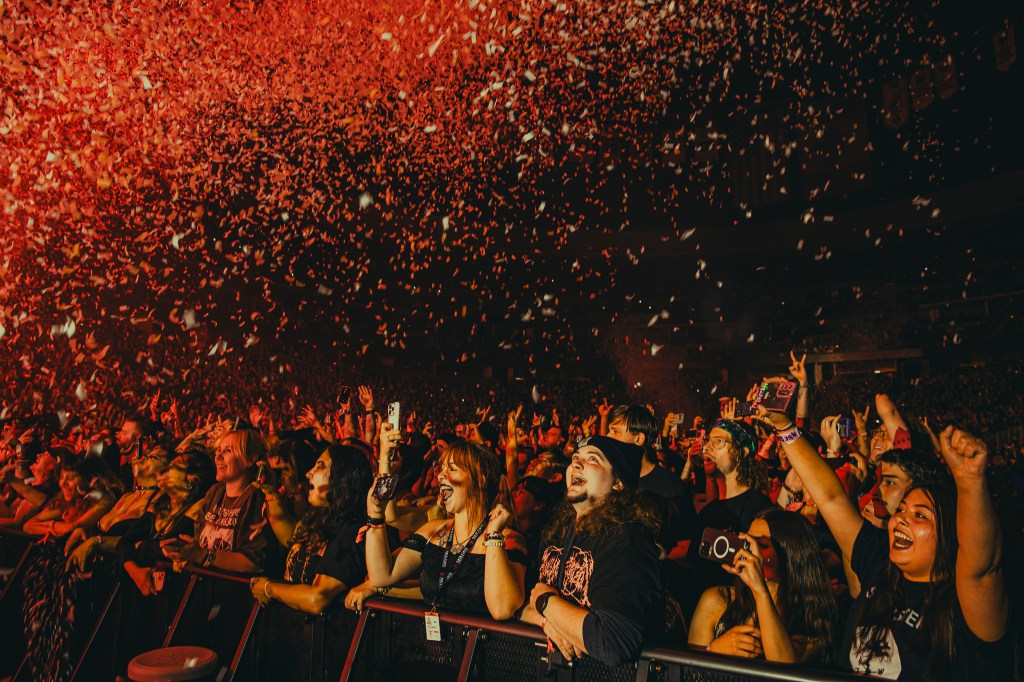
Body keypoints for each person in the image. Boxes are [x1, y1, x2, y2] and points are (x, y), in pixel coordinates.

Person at [758, 406, 1015, 680]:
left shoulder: (962, 604)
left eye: (920, 516)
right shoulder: (879, 561)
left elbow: (983, 564)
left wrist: (971, 481)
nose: (901, 519)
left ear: (951, 533)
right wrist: (785, 428)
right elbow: (831, 498)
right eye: (902, 510)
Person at [520, 435, 665, 668]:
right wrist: (546, 619)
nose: (576, 463)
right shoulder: (556, 531)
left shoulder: (627, 540)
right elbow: (524, 604)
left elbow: (615, 641)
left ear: (617, 482)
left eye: (592, 459)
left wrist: (547, 603)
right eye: (575, 458)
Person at [365, 422, 527, 620]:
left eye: (451, 469)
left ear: (480, 479)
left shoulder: (509, 540)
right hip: (424, 647)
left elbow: (503, 609)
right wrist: (376, 516)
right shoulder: (432, 532)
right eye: (441, 468)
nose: (440, 475)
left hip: (477, 648)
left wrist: (493, 536)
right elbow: (382, 576)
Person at [688, 509, 838, 663]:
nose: (748, 550)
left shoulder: (812, 617)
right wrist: (713, 650)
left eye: (761, 544)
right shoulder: (717, 600)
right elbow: (688, 670)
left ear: (791, 555)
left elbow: (784, 669)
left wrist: (760, 591)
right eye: (746, 542)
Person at [249, 444, 383, 614]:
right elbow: (291, 537)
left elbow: (317, 599)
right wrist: (271, 494)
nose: (308, 473)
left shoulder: (352, 532)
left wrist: (269, 588)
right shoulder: (322, 518)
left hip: (322, 636)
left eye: (320, 466)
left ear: (342, 478)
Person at [683, 419, 773, 618]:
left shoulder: (761, 510)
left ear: (743, 452)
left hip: (741, 615)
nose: (707, 447)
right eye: (708, 441)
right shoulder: (709, 512)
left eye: (719, 442)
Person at [160, 429, 277, 574]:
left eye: (228, 451)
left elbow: (255, 561)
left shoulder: (256, 497)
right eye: (219, 450)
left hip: (232, 592)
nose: (218, 457)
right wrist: (185, 551)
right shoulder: (215, 492)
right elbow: (200, 543)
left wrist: (202, 555)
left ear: (250, 459)